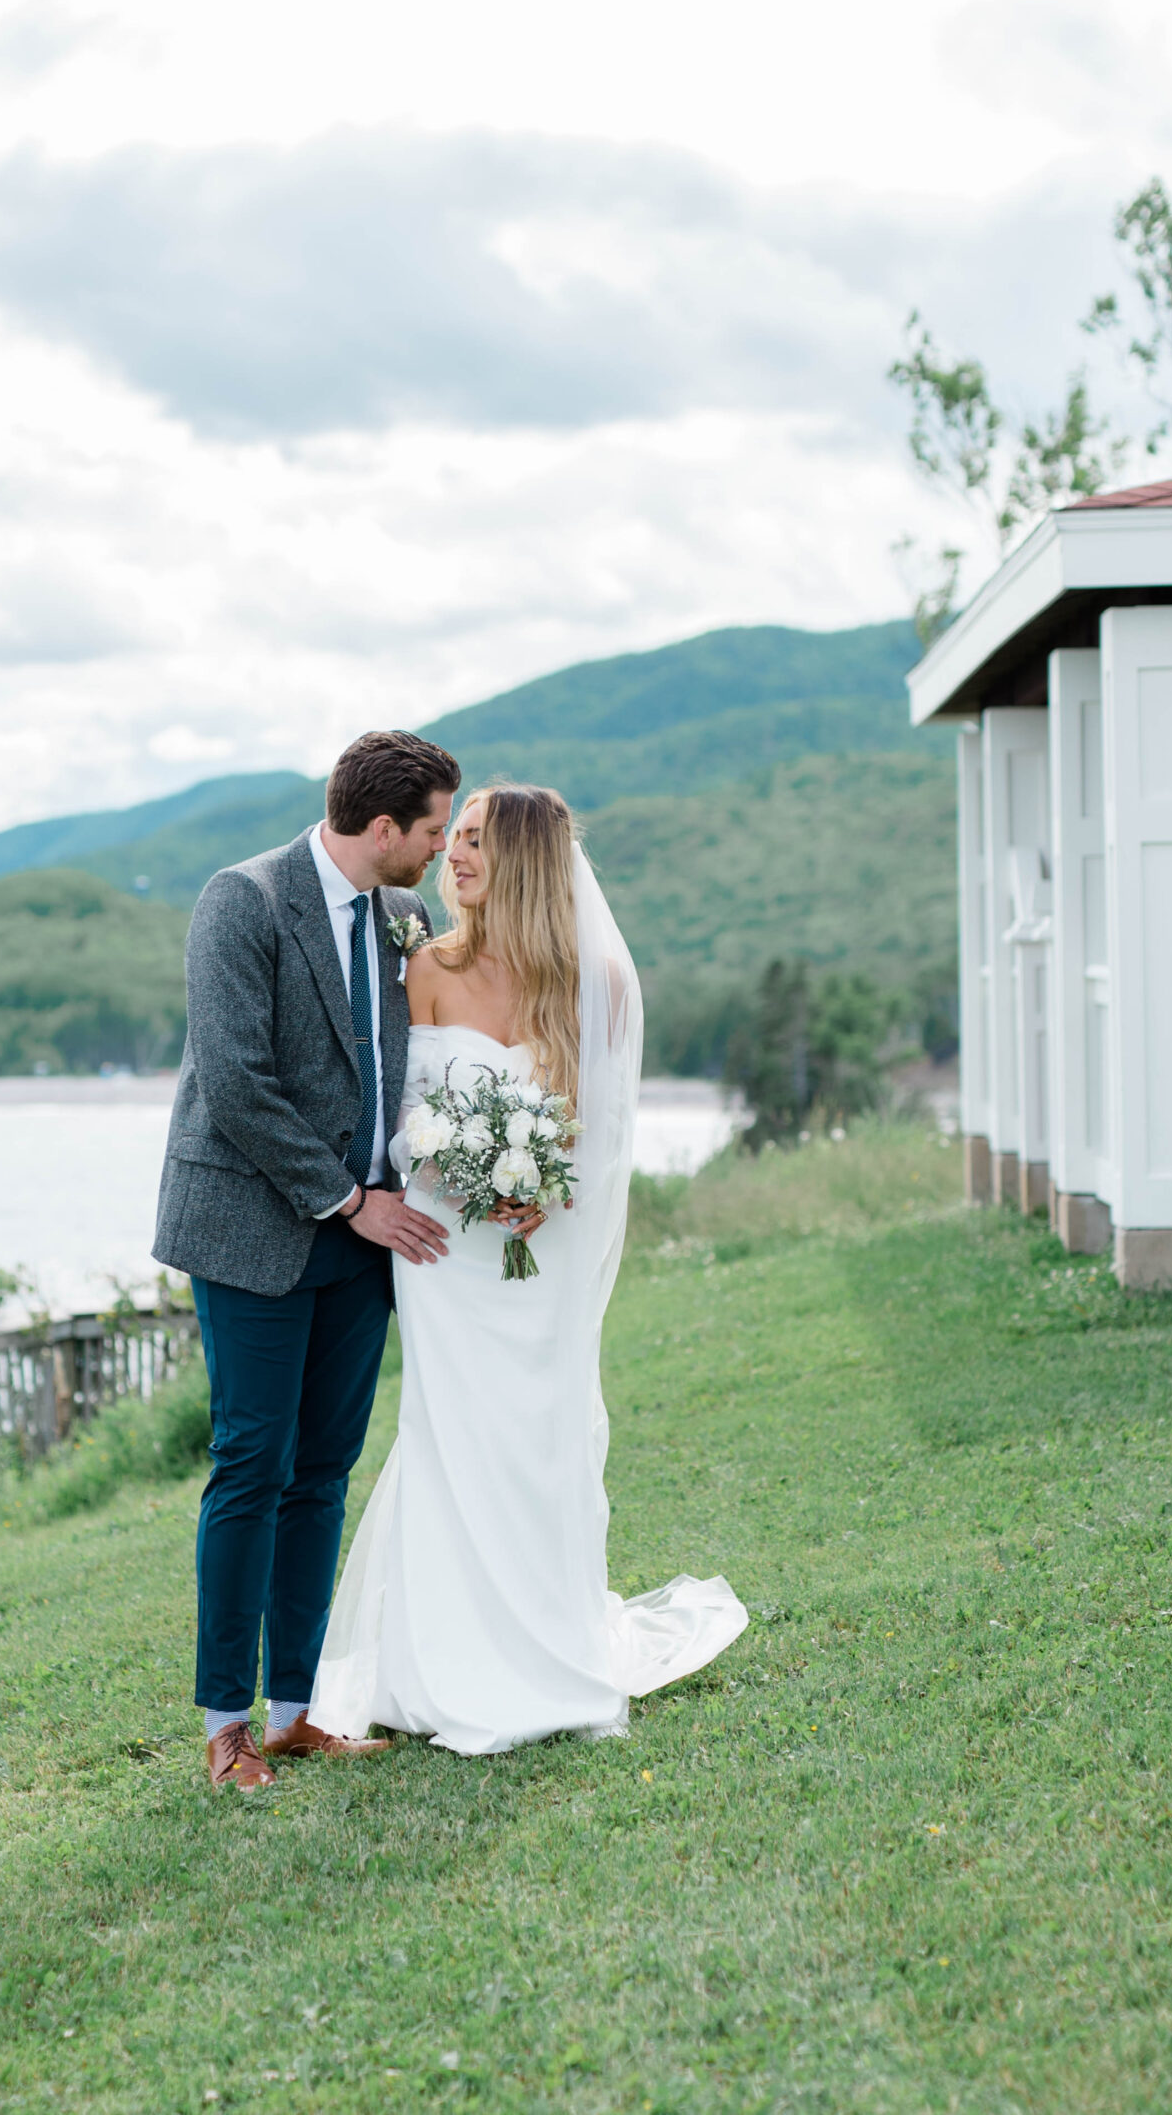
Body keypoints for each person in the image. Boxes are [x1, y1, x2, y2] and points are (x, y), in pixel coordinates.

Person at [308, 783, 748, 1755]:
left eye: (472, 840)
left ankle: (547, 1645)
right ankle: (438, 1661)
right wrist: (451, 1171)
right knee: (449, 1431)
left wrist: (542, 1190)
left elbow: (604, 1132)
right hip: (442, 1251)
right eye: (450, 837)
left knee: (539, 1434)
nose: (451, 857)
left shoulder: (598, 982)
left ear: (525, 856)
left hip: (536, 1250)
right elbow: (398, 1114)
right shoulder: (426, 966)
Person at [154, 729, 461, 1790]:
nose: (439, 847)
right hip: (253, 1225)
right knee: (253, 1465)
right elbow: (236, 1083)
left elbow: (422, 1068)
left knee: (323, 1470)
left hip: (366, 1241)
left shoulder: (407, 918)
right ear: (384, 829)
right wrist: (347, 1201)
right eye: (431, 830)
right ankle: (224, 1725)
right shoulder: (239, 901)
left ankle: (295, 1709)